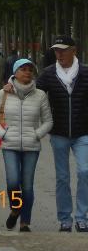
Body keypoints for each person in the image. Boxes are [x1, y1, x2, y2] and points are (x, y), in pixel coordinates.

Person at [35, 35, 88, 232]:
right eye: (56, 50)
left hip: (83, 132)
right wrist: (12, 86)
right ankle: (65, 218)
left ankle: (82, 217)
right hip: (58, 132)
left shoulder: (85, 72)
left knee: (85, 171)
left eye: (63, 50)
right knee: (62, 177)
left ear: (74, 50)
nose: (59, 54)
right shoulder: (49, 73)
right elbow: (34, 93)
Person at [0, 58, 53, 232]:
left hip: (31, 147)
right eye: (23, 69)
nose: (27, 72)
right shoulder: (4, 93)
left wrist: (36, 134)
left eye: (30, 69)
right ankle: (15, 208)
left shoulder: (40, 95)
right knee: (12, 181)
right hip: (9, 144)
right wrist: (3, 134)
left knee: (27, 185)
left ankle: (25, 222)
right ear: (15, 72)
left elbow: (48, 121)